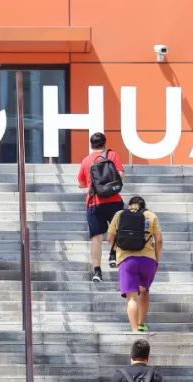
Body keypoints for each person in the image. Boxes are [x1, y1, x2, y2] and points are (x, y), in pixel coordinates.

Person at [107, 195, 162, 333]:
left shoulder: (119, 215)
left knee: (132, 297)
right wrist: (157, 259)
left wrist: (119, 250)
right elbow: (159, 240)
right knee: (144, 291)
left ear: (129, 205)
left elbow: (110, 238)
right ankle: (141, 324)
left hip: (127, 261)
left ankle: (135, 330)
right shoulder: (151, 215)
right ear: (144, 206)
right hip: (148, 260)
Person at [77, 131, 126, 282]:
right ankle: (113, 254)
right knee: (119, 230)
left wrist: (91, 185)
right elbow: (121, 176)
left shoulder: (86, 160)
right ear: (105, 143)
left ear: (91, 145)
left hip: (94, 202)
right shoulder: (112, 155)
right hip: (114, 200)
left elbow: (81, 183)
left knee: (96, 238)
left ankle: (97, 272)